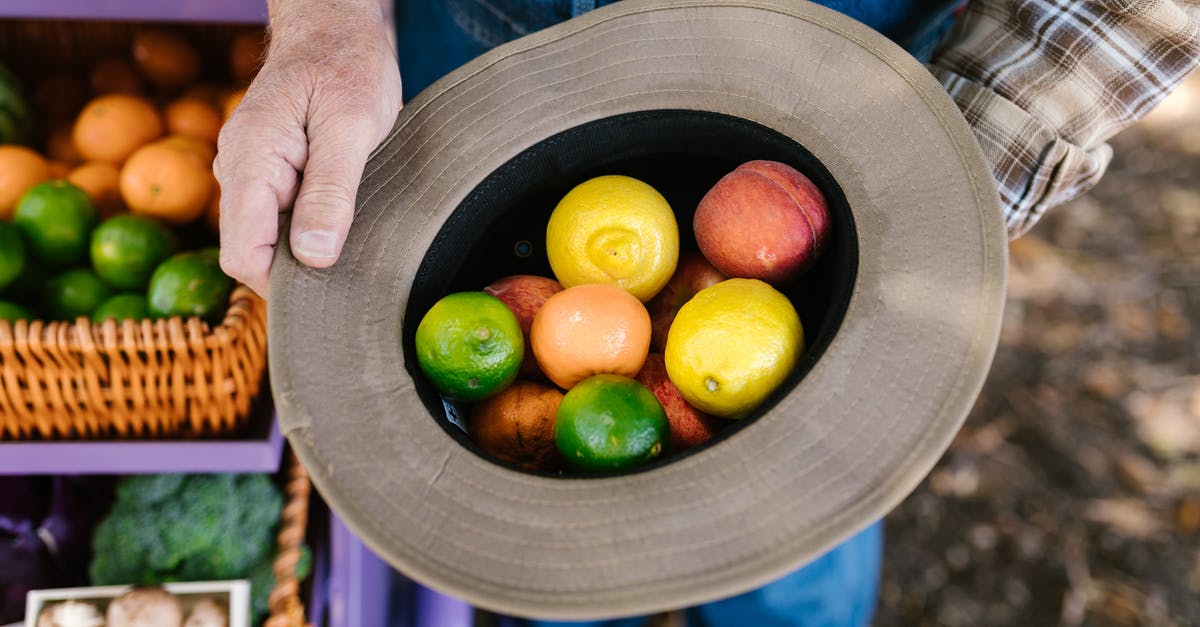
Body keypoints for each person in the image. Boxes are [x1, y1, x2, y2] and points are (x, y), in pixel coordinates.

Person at [214, 1, 1200, 625]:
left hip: (836, 55)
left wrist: (935, 177)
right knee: (546, 545)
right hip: (463, 37)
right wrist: (327, 24)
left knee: (797, 512)